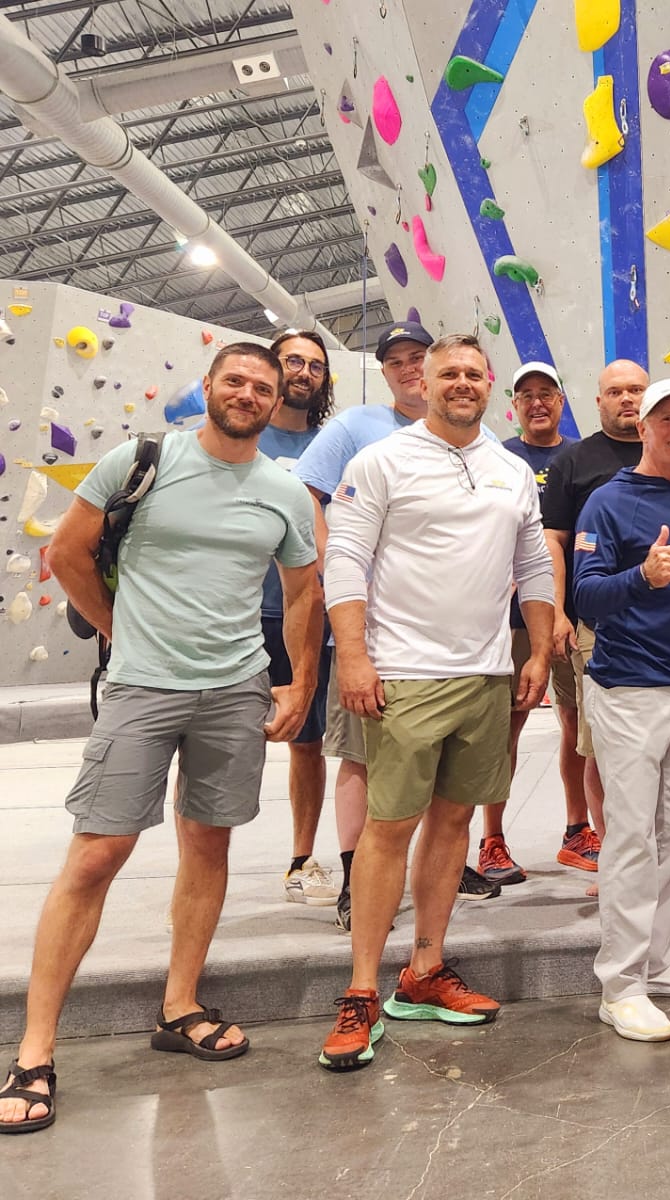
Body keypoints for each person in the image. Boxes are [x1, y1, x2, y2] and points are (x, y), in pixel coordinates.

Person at [1, 345, 319, 1133]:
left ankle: (179, 1006)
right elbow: (66, 554)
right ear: (209, 387)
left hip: (235, 688)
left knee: (207, 844)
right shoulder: (138, 461)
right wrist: (119, 632)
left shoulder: (282, 490)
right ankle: (34, 1050)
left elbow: (303, 585)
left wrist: (299, 680)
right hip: (142, 688)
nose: (248, 394)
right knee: (98, 853)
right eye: (235, 380)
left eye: (264, 387)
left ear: (279, 402)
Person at [317, 334, 554, 1072]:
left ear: (490, 387)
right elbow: (344, 559)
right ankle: (361, 989)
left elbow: (534, 564)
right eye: (447, 372)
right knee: (389, 829)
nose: (460, 383)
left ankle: (424, 968)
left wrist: (540, 650)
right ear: (423, 381)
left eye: (472, 374)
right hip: (403, 675)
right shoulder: (381, 461)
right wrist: (353, 655)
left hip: (485, 673)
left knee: (453, 824)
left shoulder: (511, 470)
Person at [296, 321, 504, 925]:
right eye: (400, 362)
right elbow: (310, 495)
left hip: (464, 658)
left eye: (421, 356)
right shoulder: (357, 431)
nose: (412, 369)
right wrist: (337, 578)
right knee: (363, 762)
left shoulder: (484, 441)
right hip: (378, 641)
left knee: (444, 791)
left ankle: (437, 874)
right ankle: (354, 876)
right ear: (388, 371)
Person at [573, 378, 670, 1042]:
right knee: (631, 838)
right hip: (628, 691)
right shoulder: (608, 502)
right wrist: (641, 577)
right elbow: (587, 597)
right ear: (646, 426)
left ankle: (655, 962)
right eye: (669, 418)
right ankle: (620, 985)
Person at [540, 359, 653, 880]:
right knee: (599, 744)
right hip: (597, 627)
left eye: (636, 390)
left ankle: (664, 849)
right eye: (616, 391)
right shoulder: (574, 461)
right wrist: (558, 611)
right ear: (598, 400)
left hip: (669, 628)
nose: (627, 399)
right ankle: (613, 857)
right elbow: (554, 542)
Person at [485, 360, 580, 887]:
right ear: (514, 404)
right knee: (507, 725)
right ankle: (493, 838)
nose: (538, 402)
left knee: (574, 724)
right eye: (528, 395)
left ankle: (576, 830)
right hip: (509, 619)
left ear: (562, 401)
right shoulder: (496, 458)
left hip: (565, 616)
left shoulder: (578, 457)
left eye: (548, 392)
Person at [260, 330, 338, 906]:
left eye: (315, 365)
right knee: (212, 747)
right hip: (240, 616)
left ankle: (302, 858)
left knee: (306, 741)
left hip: (311, 611)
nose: (304, 372)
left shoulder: (335, 443)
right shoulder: (238, 436)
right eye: (294, 360)